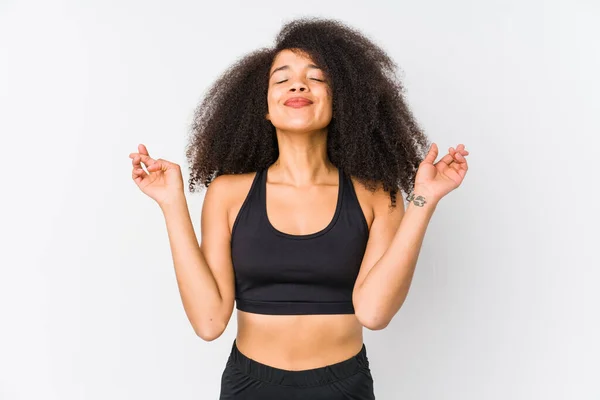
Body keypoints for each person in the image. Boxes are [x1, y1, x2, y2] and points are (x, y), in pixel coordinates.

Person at [129, 17, 469, 400]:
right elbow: (209, 322)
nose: (298, 84)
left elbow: (374, 314)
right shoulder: (228, 194)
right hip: (249, 385)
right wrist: (171, 203)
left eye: (316, 77)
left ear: (340, 103)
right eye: (282, 78)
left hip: (344, 386)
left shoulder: (378, 194)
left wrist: (423, 200)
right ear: (264, 109)